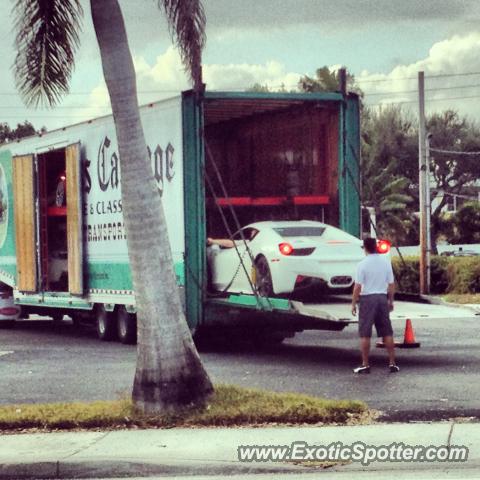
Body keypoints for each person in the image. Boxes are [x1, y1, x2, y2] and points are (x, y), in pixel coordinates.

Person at [351, 237, 399, 374]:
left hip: (367, 299)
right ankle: (392, 363)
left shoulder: (362, 264)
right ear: (376, 247)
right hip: (382, 298)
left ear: (365, 248)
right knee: (387, 332)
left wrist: (353, 303)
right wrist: (391, 300)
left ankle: (365, 364)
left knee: (365, 333)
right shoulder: (385, 262)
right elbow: (391, 284)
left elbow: (358, 286)